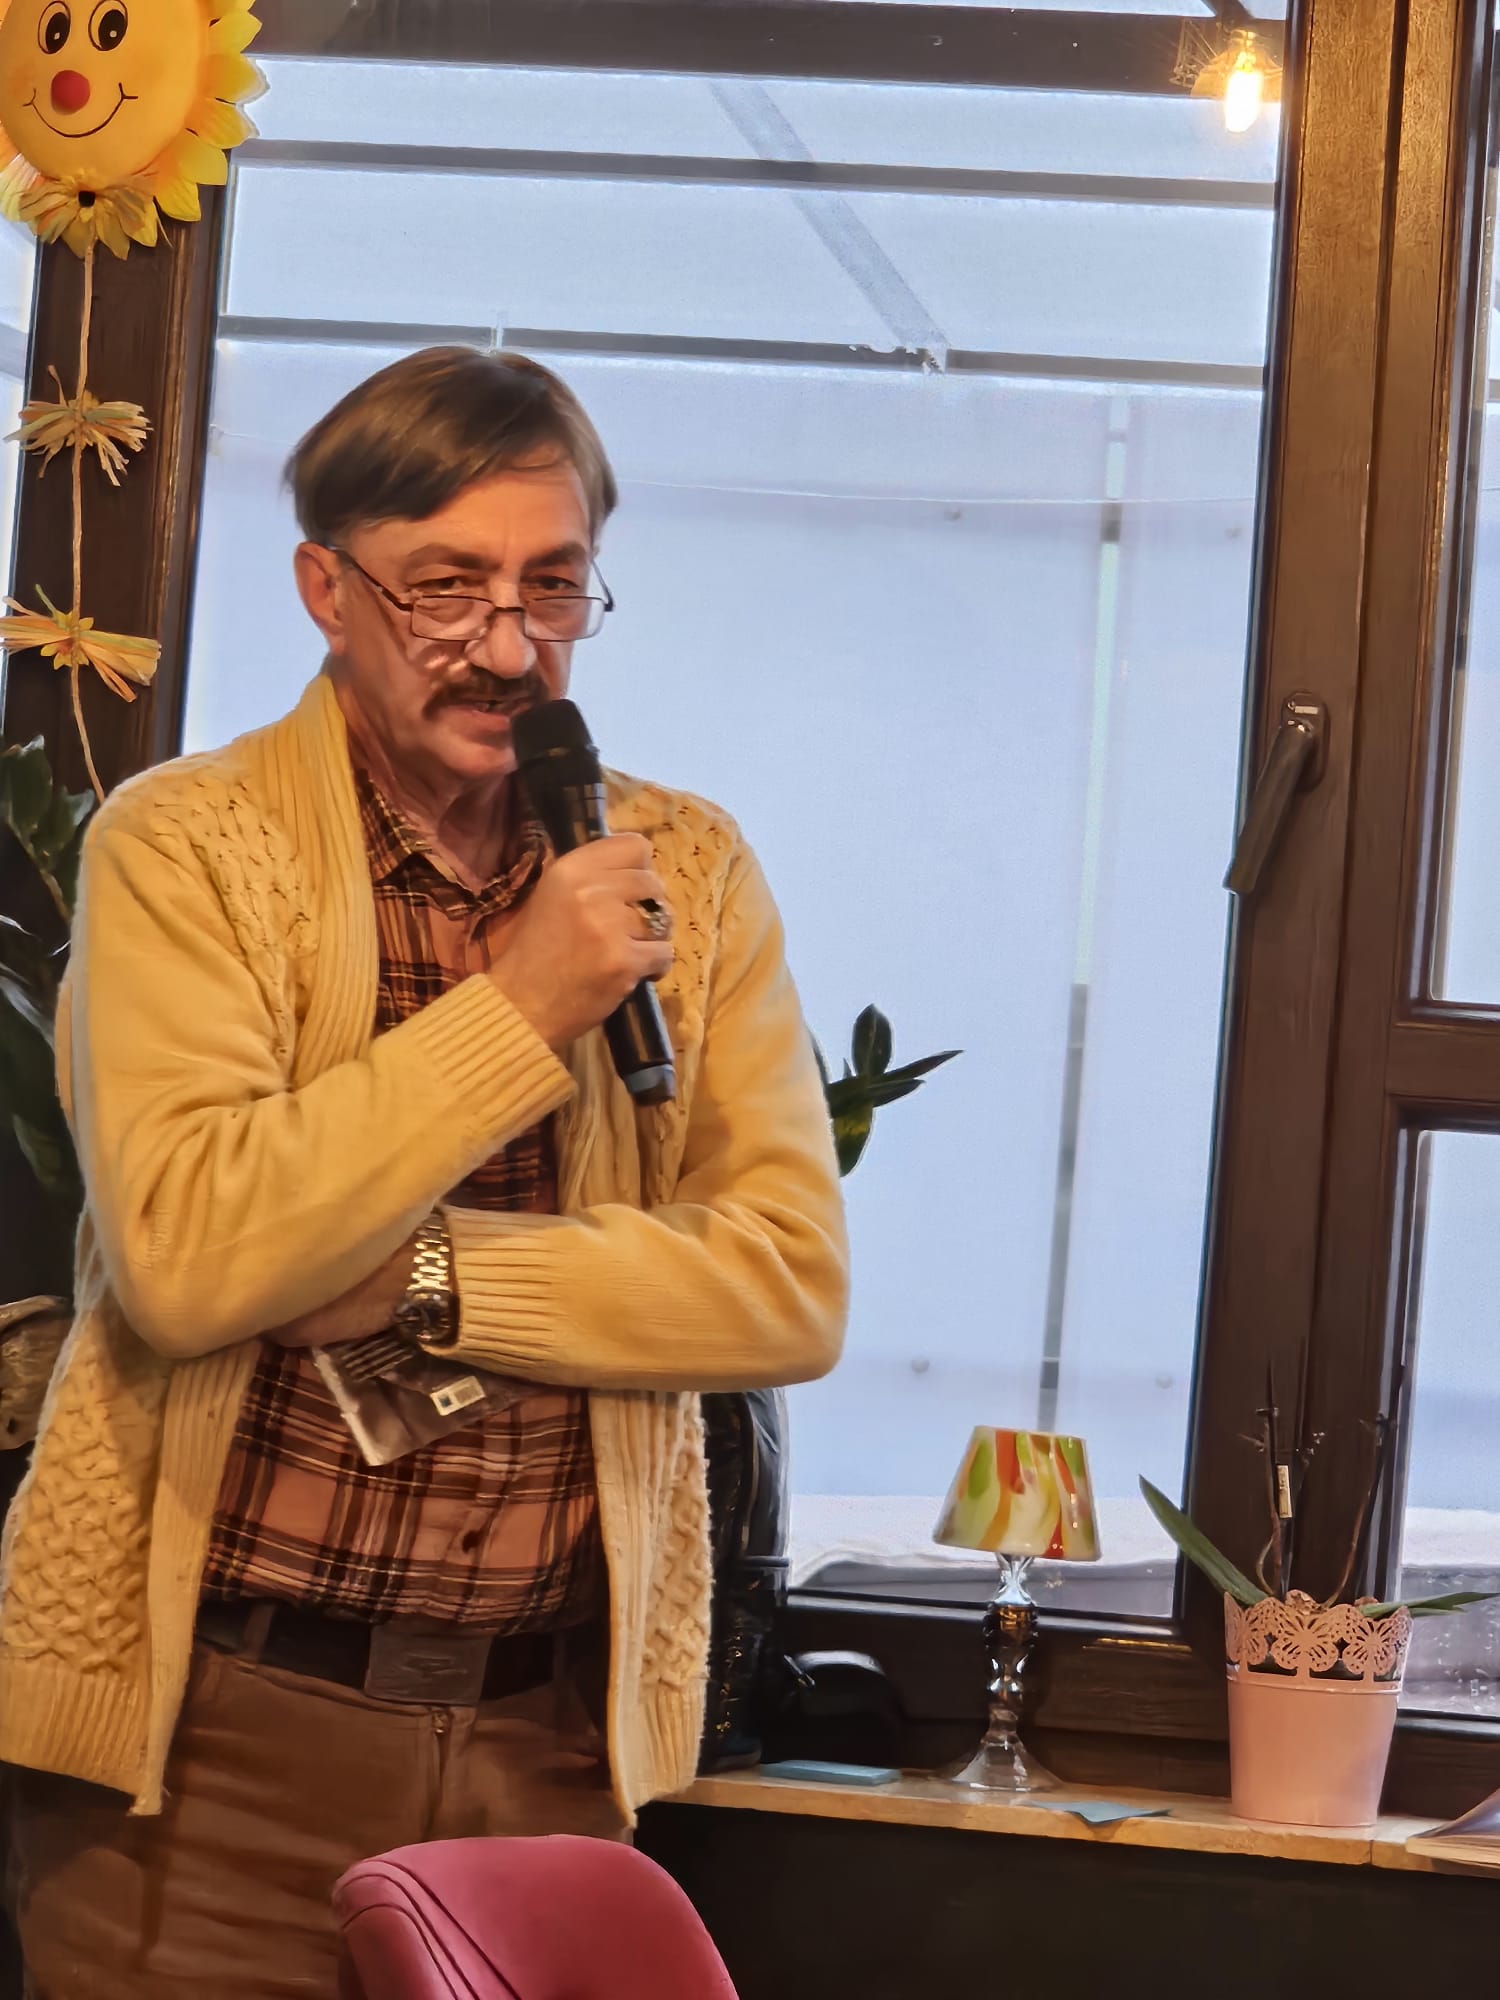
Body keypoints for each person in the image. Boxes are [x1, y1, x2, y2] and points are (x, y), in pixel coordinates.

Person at [0, 346, 849, 1997]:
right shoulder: (188, 843)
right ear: (326, 588)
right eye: (445, 589)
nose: (510, 646)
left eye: (554, 586)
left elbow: (789, 1285)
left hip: (549, 1748)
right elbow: (191, 1260)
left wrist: (430, 1279)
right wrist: (523, 1005)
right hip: (213, 1749)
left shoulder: (684, 867)